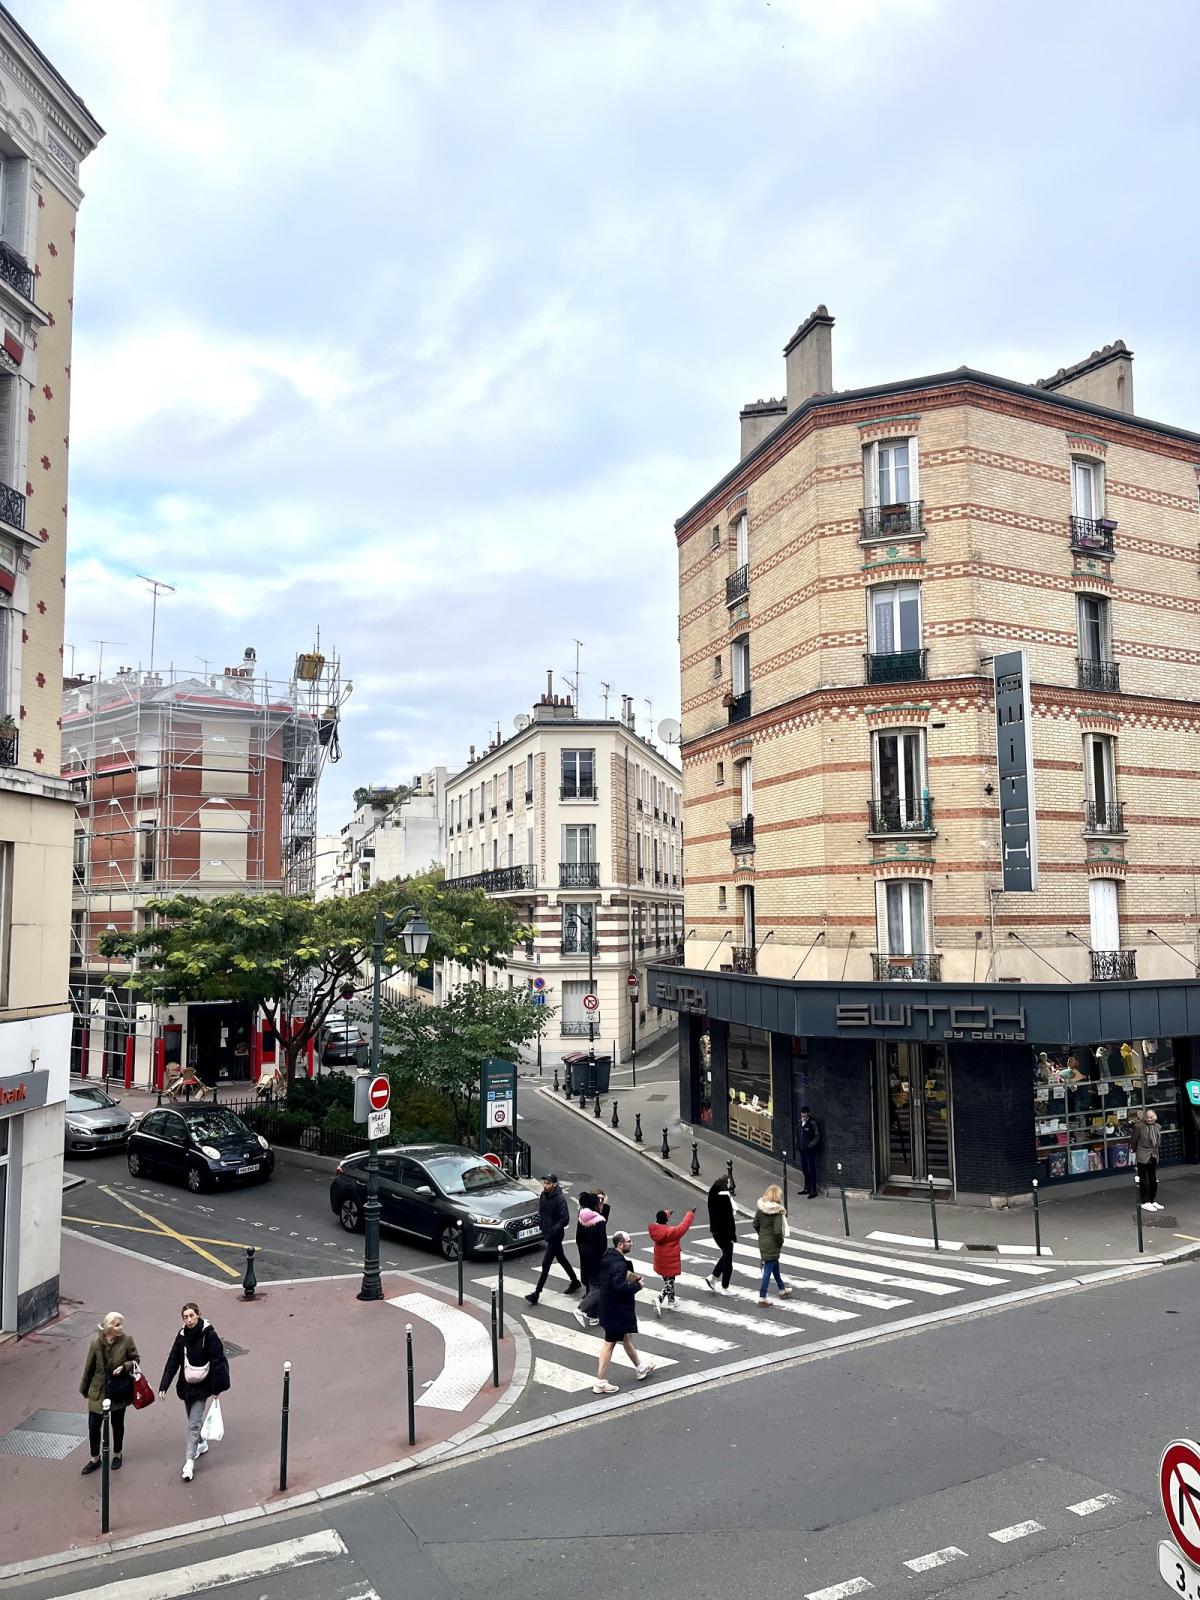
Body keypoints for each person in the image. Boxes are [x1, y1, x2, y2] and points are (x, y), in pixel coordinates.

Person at [158, 1301, 230, 1481]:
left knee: (193, 1424)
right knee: (192, 1418)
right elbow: (173, 1360)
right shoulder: (182, 1336)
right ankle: (202, 1444)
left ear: (198, 1314)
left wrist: (216, 1388)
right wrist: (164, 1386)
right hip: (186, 1386)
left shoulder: (209, 1335)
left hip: (203, 1387)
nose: (189, 1320)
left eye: (191, 1315)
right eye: (185, 1317)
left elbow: (218, 1361)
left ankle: (189, 1463)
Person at [593, 1231, 654, 1394]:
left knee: (626, 1336)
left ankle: (640, 1368)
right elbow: (620, 1287)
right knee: (609, 1344)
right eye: (628, 1241)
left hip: (609, 1307)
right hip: (615, 1311)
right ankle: (599, 1382)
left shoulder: (608, 1256)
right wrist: (637, 1286)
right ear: (621, 1244)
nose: (631, 1243)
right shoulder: (619, 1264)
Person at [79, 1311, 139, 1475]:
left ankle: (117, 1454)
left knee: (117, 1424)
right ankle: (95, 1459)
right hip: (99, 1391)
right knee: (93, 1425)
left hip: (118, 1390)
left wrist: (125, 1366)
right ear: (109, 1327)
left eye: (121, 1324)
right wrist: (84, 1389)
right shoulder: (96, 1344)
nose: (121, 1328)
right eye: (117, 1325)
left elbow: (136, 1360)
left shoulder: (127, 1341)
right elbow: (89, 1368)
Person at [524, 1173, 581, 1304]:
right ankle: (575, 1281)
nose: (545, 1185)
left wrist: (554, 1229)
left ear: (554, 1185)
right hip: (548, 1234)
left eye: (548, 1183)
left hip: (555, 1236)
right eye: (544, 1183)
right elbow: (542, 1212)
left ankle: (536, 1294)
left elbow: (565, 1219)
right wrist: (541, 1224)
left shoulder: (560, 1199)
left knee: (546, 1265)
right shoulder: (543, 1196)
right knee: (561, 1258)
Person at [648, 1206, 695, 1315]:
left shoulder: (656, 1229)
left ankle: (671, 1301)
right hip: (670, 1261)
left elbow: (660, 1217)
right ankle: (659, 1299)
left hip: (660, 1260)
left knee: (668, 1280)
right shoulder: (671, 1232)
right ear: (666, 1220)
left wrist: (667, 1213)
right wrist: (690, 1213)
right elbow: (684, 1226)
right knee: (669, 1283)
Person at [753, 1183, 793, 1306]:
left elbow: (755, 1223)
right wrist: (780, 1242)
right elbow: (777, 1231)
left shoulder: (760, 1209)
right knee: (768, 1269)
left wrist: (762, 1234)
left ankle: (782, 1289)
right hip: (772, 1242)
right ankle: (762, 1296)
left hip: (763, 1241)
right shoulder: (777, 1212)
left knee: (774, 1265)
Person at [705, 1175, 737, 1296]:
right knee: (728, 1259)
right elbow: (729, 1218)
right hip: (724, 1232)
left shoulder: (713, 1194)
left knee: (726, 1254)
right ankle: (725, 1286)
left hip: (715, 1230)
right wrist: (732, 1236)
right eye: (729, 1183)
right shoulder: (724, 1197)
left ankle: (713, 1277)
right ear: (726, 1183)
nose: (730, 1185)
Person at [575, 1186, 610, 1292]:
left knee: (589, 1279)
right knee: (595, 1283)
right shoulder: (599, 1220)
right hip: (595, 1256)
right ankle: (588, 1303)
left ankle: (588, 1297)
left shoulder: (582, 1216)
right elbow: (601, 1242)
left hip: (584, 1252)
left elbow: (578, 1237)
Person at [1131, 1108, 1162, 1210]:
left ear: (1155, 1117)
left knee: (1153, 1178)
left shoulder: (1157, 1126)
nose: (1149, 1119)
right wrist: (1135, 1150)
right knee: (1144, 1179)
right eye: (1147, 1117)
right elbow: (1134, 1140)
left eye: (1151, 1117)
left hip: (1153, 1154)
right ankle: (1145, 1201)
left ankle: (1152, 1200)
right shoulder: (1138, 1126)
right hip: (1143, 1154)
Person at [797, 1106, 822, 1199]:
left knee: (811, 1169)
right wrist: (798, 1145)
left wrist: (810, 1145)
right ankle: (807, 1188)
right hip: (802, 1150)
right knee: (804, 1169)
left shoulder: (812, 1123)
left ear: (808, 1113)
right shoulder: (799, 1123)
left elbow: (817, 1136)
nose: (803, 1115)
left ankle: (813, 1190)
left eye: (805, 1113)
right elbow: (797, 1135)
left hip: (809, 1151)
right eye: (802, 1113)